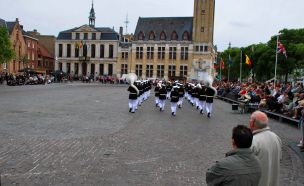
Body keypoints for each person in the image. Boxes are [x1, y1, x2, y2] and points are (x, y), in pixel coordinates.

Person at [249, 111, 282, 186]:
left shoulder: (253, 141)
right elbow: (279, 159)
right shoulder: (276, 137)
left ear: (252, 123)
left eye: (250, 119)